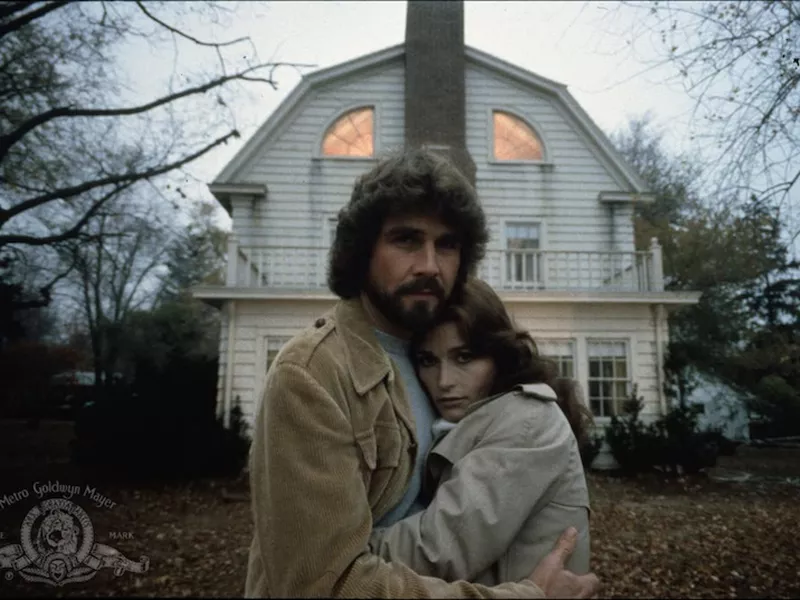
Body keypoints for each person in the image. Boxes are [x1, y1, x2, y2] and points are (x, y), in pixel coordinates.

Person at [245, 148, 600, 598]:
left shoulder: (427, 355)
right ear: (363, 252)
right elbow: (324, 584)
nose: (430, 265)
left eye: (447, 244)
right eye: (406, 240)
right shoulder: (314, 375)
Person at [368, 276, 593, 584]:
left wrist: (341, 554)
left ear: (499, 356)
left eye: (464, 357)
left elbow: (439, 550)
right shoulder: (475, 419)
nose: (444, 380)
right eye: (428, 360)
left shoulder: (527, 420)